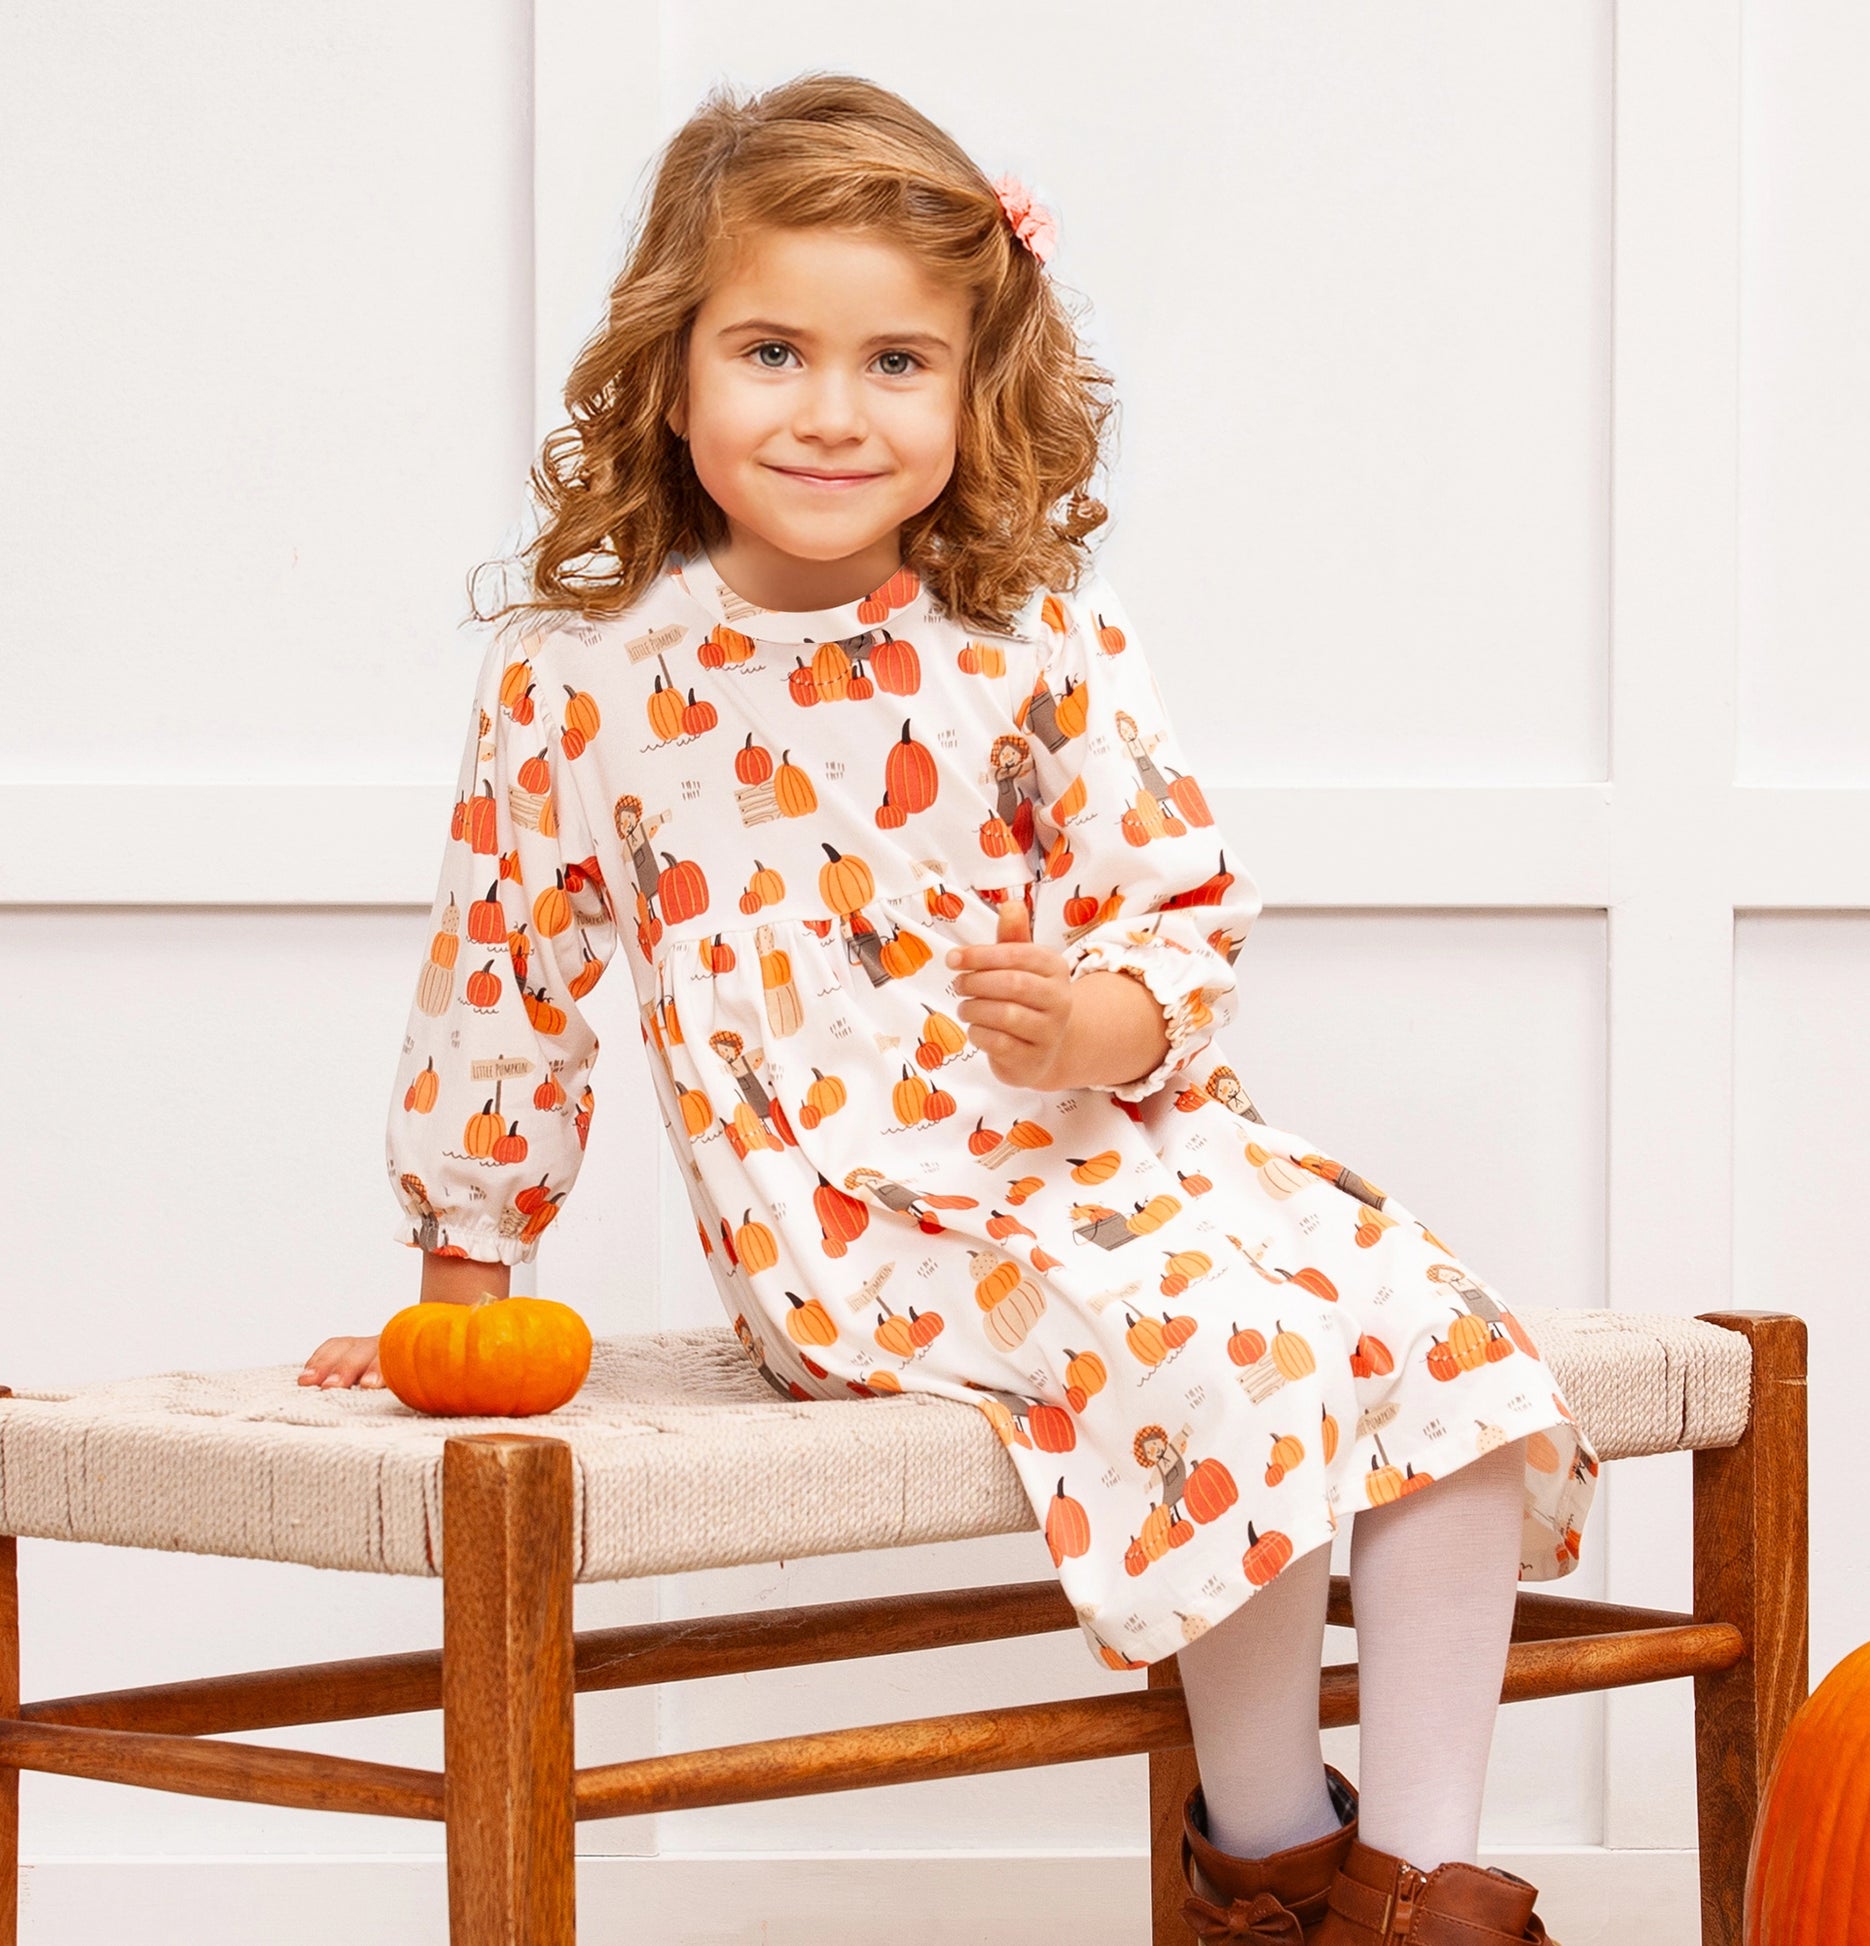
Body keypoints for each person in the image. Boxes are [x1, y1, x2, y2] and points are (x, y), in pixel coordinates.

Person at [299, 71, 1590, 1944]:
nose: (833, 412)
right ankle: (1270, 1847)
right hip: (856, 1222)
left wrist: (1102, 1023)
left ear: (974, 387)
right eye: (771, 351)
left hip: (1114, 1150)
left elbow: (1177, 902)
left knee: (1429, 1329)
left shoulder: (1033, 630)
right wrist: (460, 1275)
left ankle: (1418, 1879)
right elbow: (509, 968)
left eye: (897, 361)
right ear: (673, 373)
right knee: (1214, 1338)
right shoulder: (589, 677)